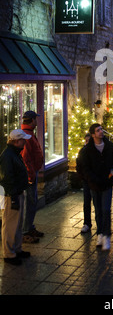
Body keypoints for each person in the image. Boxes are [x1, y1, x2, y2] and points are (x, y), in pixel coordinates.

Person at [80, 123, 113, 250]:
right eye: (98, 130)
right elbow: (85, 168)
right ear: (93, 134)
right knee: (98, 210)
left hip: (107, 183)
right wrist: (93, 179)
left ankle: (106, 235)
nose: (101, 132)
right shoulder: (87, 150)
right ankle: (100, 233)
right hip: (94, 184)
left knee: (106, 209)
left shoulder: (109, 146)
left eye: (101, 129)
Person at [0, 129, 31, 265]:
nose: (25, 142)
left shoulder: (14, 153)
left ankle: (16, 249)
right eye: (23, 140)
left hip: (17, 192)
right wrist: (12, 195)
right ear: (16, 141)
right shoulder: (8, 156)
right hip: (12, 194)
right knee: (10, 224)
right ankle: (9, 253)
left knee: (17, 223)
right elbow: (7, 177)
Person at [21, 110, 44, 243]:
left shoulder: (29, 133)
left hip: (33, 172)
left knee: (32, 201)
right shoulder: (26, 135)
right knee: (29, 202)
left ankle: (29, 227)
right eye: (35, 119)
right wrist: (30, 176)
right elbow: (26, 158)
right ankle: (25, 231)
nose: (37, 121)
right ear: (31, 120)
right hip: (30, 175)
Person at [76, 133, 93, 233]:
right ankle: (87, 223)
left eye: (89, 141)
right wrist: (82, 176)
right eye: (86, 141)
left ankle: (100, 224)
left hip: (94, 181)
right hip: (86, 181)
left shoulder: (95, 151)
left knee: (97, 203)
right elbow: (79, 164)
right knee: (86, 202)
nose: (87, 143)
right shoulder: (82, 151)